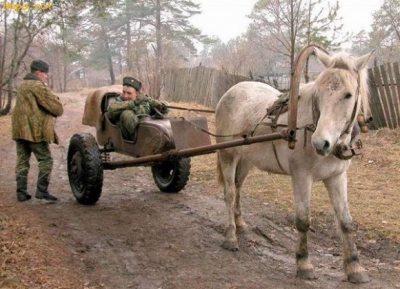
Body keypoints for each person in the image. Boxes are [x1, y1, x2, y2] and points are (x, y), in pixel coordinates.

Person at [11, 59, 64, 202]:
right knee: (46, 160)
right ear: (38, 72)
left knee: (22, 160)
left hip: (20, 130)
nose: (46, 76)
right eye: (45, 73)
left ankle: (21, 192)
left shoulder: (22, 85)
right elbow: (57, 108)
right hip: (35, 131)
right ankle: (42, 190)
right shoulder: (37, 86)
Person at [107, 76, 169, 141]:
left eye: (129, 93)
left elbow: (166, 107)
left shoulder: (143, 100)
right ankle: (143, 139)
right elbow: (111, 109)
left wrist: (159, 105)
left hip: (147, 131)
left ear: (136, 93)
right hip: (128, 136)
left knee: (161, 110)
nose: (125, 96)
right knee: (127, 114)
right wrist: (133, 103)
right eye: (124, 92)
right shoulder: (119, 100)